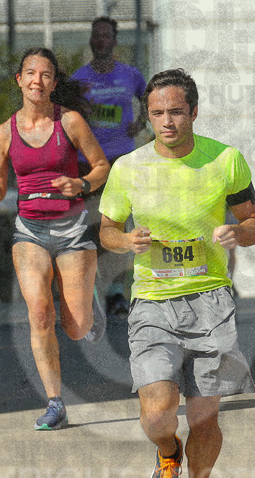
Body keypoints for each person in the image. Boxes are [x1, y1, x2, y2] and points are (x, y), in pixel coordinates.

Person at [99, 68, 255, 478]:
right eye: (156, 113)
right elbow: (106, 230)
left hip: (211, 301)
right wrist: (125, 239)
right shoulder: (128, 167)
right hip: (153, 301)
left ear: (193, 111)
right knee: (158, 411)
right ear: (147, 116)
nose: (166, 122)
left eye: (175, 112)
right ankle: (166, 452)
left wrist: (238, 232)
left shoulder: (226, 160)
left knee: (204, 417)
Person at [0, 47, 110, 431]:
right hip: (29, 230)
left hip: (72, 227)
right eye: (30, 73)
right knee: (40, 313)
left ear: (54, 83)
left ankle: (88, 300)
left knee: (76, 327)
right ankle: (55, 402)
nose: (37, 81)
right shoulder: (3, 133)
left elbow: (101, 167)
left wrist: (79, 183)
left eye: (46, 75)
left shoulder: (71, 122)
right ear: (19, 80)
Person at [73, 16, 148, 317]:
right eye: (96, 36)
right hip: (88, 161)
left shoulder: (130, 74)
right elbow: (66, 113)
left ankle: (118, 293)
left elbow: (149, 99)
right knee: (93, 228)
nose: (101, 40)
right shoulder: (79, 78)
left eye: (106, 35)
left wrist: (140, 123)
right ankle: (96, 293)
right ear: (91, 41)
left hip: (121, 159)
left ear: (114, 41)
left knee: (119, 225)